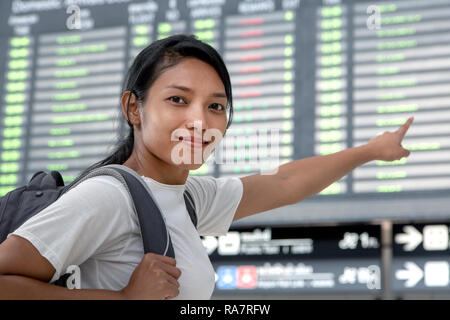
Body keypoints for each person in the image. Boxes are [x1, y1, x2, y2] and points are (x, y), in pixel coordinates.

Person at [0, 34, 413, 300]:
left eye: (215, 106)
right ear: (134, 108)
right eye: (178, 100)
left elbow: (286, 182)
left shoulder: (188, 197)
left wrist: (371, 150)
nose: (200, 121)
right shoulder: (109, 196)